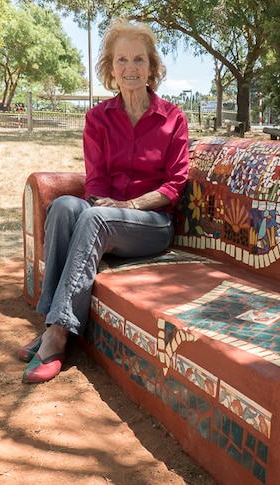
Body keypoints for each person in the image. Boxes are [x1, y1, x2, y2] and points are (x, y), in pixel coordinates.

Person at [17, 19, 190, 383]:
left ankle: (58, 334)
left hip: (151, 223)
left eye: (139, 60)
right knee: (65, 207)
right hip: (105, 213)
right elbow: (94, 181)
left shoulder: (172, 119)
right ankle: (51, 322)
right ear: (111, 69)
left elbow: (175, 184)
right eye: (122, 60)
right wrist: (103, 203)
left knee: (96, 219)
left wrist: (128, 206)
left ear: (152, 67)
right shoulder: (97, 118)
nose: (131, 68)